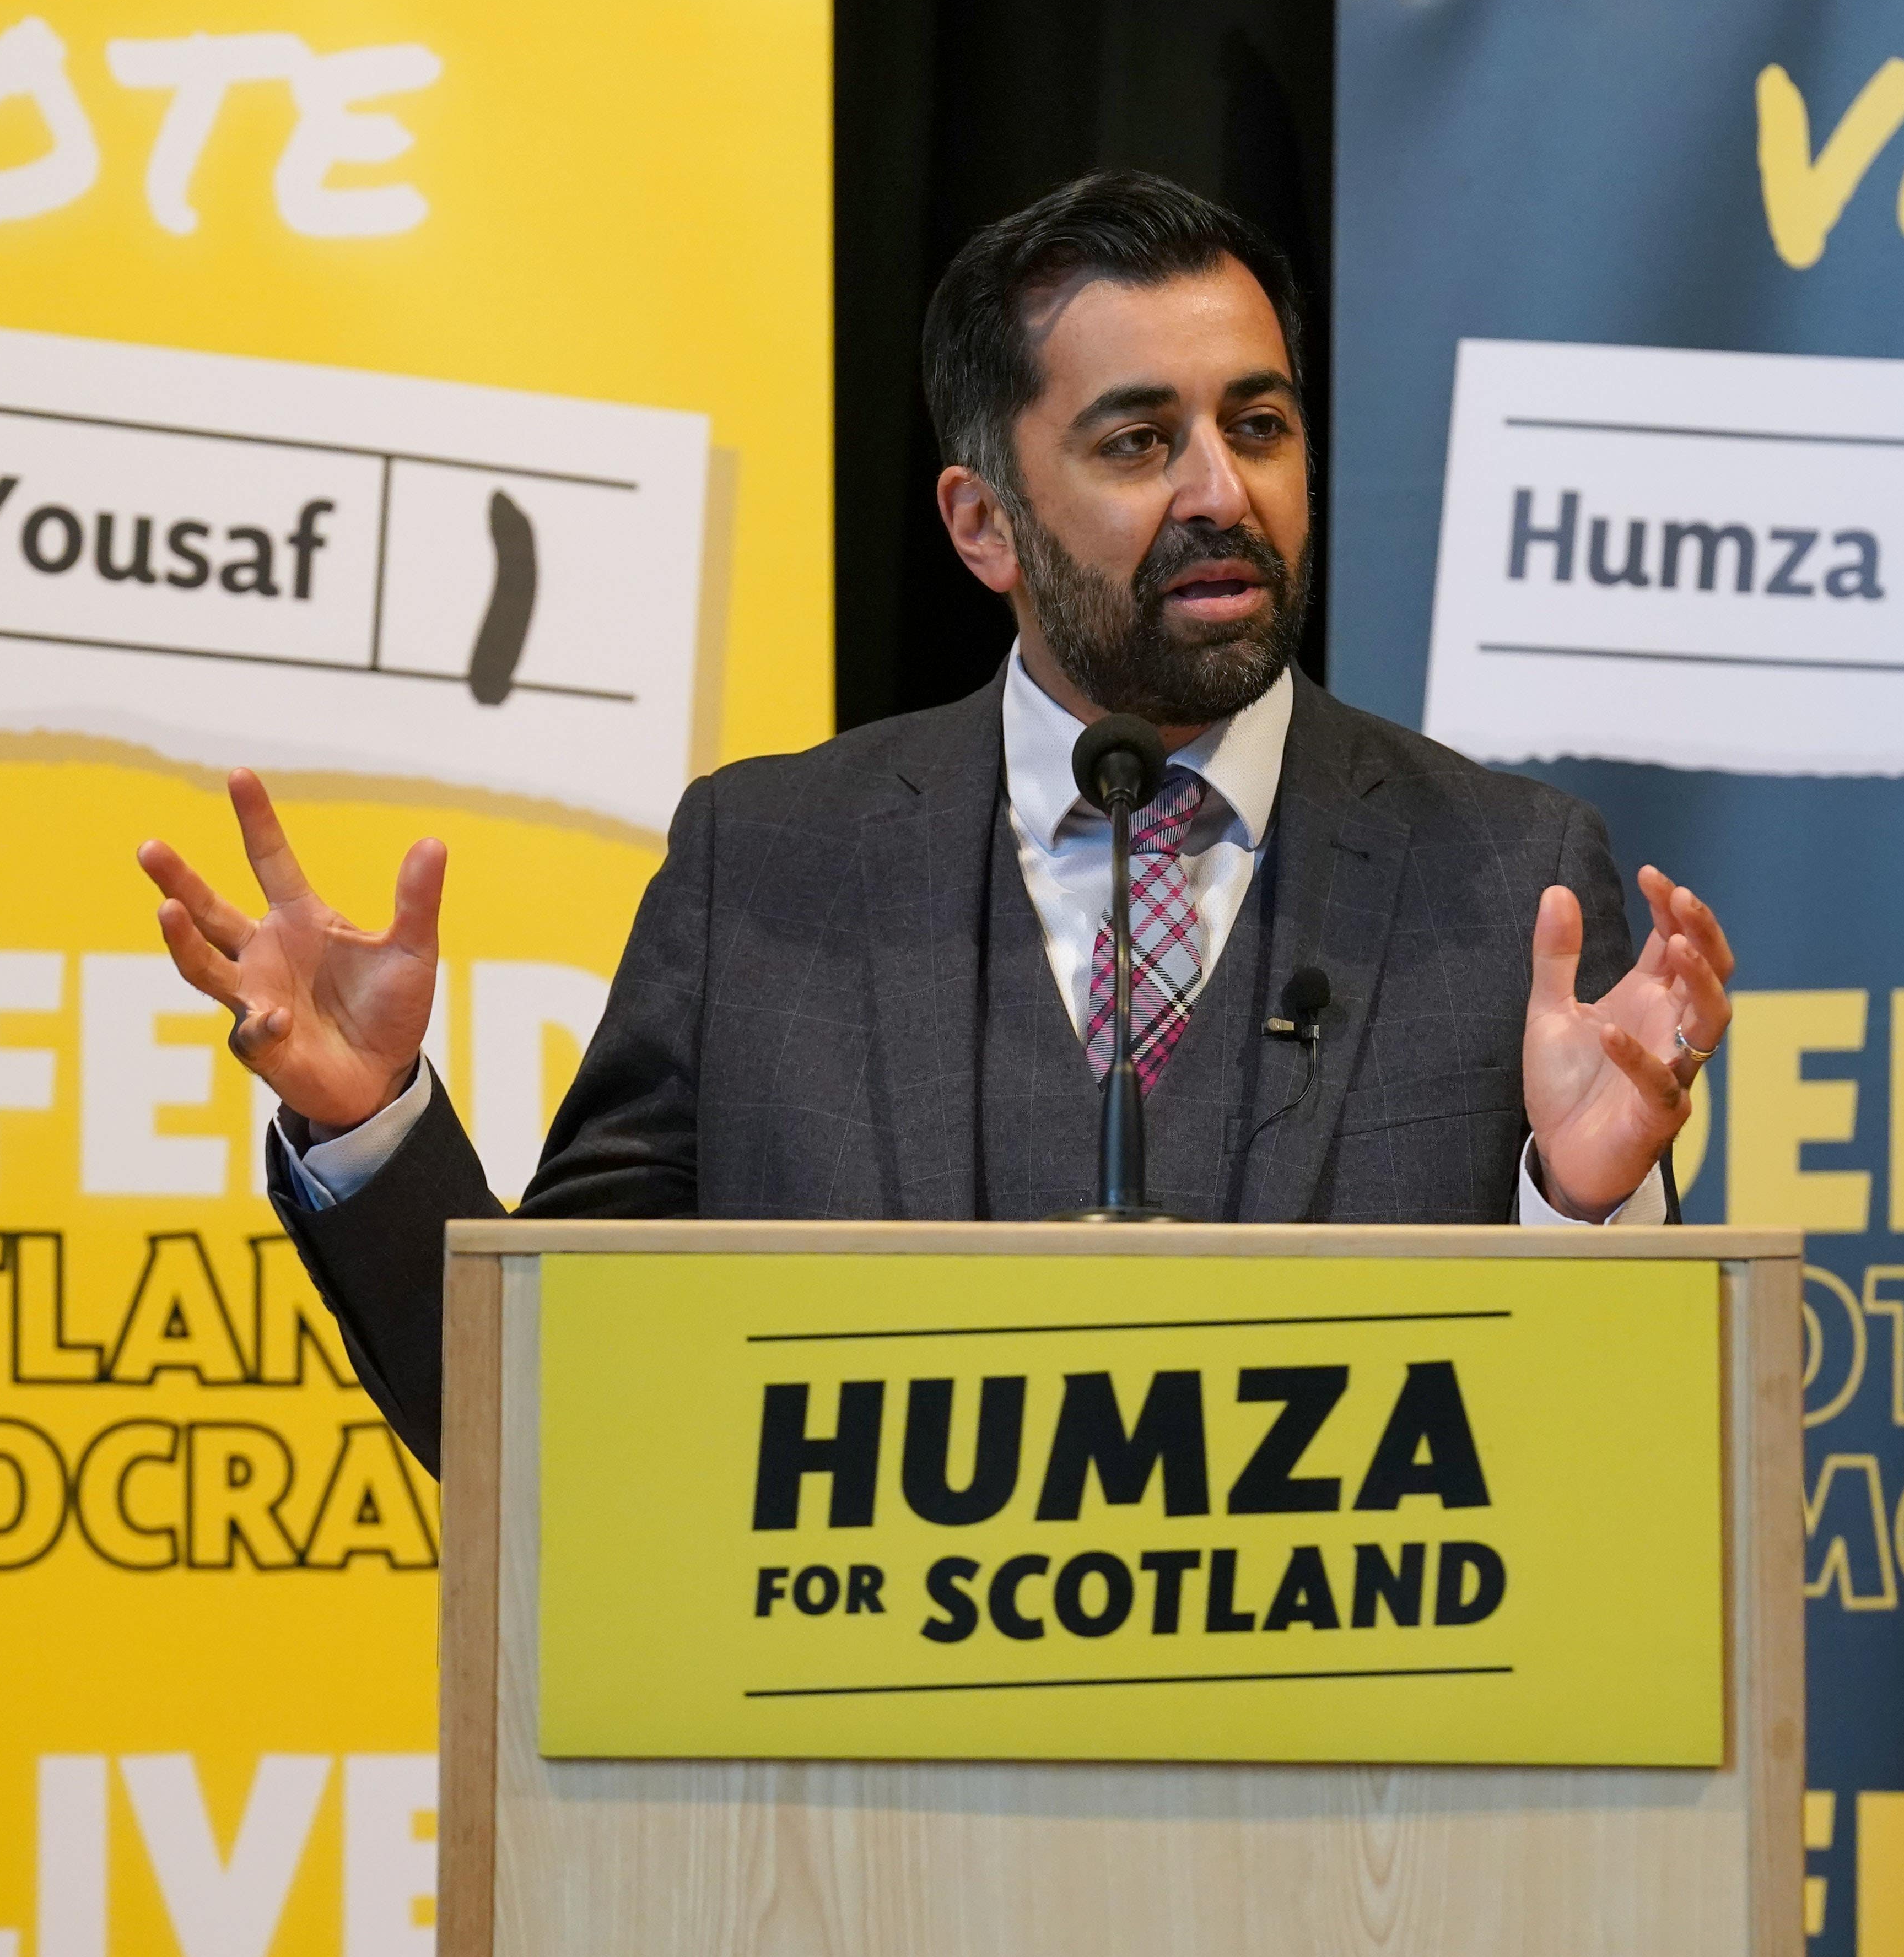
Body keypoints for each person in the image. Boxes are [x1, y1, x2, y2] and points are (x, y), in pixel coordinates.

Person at [138, 171, 1735, 1471]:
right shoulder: (766, 871)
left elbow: (1612, 1484)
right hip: (851, 1846)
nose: (1220, 493)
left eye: (1259, 426)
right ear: (984, 522)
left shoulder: (1510, 881)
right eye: (1137, 441)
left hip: (1368, 1842)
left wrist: (1593, 1217)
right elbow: (545, 1425)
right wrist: (374, 1128)